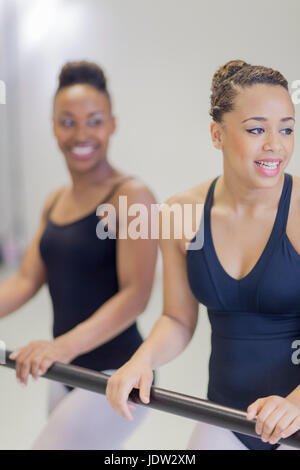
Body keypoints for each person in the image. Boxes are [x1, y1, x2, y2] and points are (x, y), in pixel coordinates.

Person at [106, 60, 300, 450]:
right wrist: (141, 360)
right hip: (227, 416)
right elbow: (178, 319)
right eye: (256, 129)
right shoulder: (181, 213)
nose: (275, 145)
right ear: (217, 134)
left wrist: (295, 403)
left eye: (287, 129)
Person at [0, 61, 158, 449]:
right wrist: (60, 354)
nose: (81, 133)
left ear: (113, 124)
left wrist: (61, 347)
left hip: (115, 373)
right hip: (65, 371)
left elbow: (135, 296)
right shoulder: (55, 200)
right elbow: (24, 281)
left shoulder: (132, 196)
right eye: (67, 122)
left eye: (94, 120)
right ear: (54, 127)